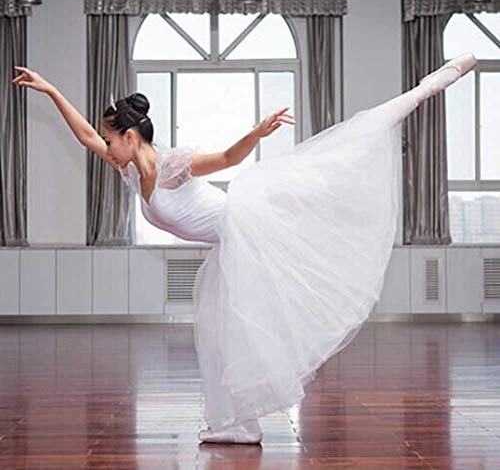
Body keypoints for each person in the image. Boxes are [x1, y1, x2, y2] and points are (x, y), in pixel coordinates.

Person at [12, 52, 477, 444]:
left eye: (112, 141)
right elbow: (86, 136)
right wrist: (52, 91)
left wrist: (258, 131)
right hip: (230, 243)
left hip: (248, 226)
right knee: (218, 330)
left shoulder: (173, 166)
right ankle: (239, 424)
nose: (106, 149)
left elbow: (230, 159)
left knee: (332, 164)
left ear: (131, 138)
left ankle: (427, 89)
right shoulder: (130, 171)